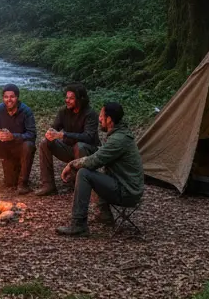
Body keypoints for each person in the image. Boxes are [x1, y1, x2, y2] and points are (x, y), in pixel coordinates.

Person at [56, 101, 144, 236]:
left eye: (102, 116)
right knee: (89, 170)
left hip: (127, 192)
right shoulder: (120, 134)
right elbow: (99, 156)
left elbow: (94, 161)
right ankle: (103, 214)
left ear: (110, 120)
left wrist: (71, 164)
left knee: (84, 173)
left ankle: (78, 224)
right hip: (125, 185)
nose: (99, 119)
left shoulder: (118, 140)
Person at [35, 83, 100, 196]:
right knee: (45, 143)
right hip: (68, 148)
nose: (67, 100)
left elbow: (88, 137)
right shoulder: (63, 111)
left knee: (80, 146)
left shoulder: (90, 114)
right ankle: (48, 185)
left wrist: (62, 135)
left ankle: (81, 184)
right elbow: (54, 127)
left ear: (80, 100)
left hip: (87, 152)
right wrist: (50, 133)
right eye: (67, 97)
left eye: (71, 98)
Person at [0, 84, 37, 194]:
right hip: (3, 147)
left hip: (17, 148)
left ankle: (23, 184)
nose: (9, 100)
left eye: (12, 97)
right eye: (6, 97)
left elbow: (32, 134)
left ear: (17, 98)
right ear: (3, 98)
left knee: (29, 145)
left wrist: (13, 136)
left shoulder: (26, 111)